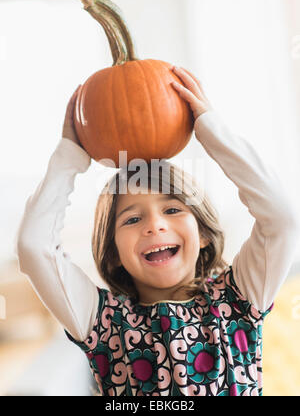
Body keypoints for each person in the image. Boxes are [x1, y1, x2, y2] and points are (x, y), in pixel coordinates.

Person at [16, 66, 300, 397]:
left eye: (172, 210)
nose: (155, 225)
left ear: (203, 233)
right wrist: (70, 154)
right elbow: (34, 246)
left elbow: (282, 219)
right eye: (132, 220)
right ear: (114, 253)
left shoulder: (238, 299)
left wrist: (210, 131)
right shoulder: (101, 319)